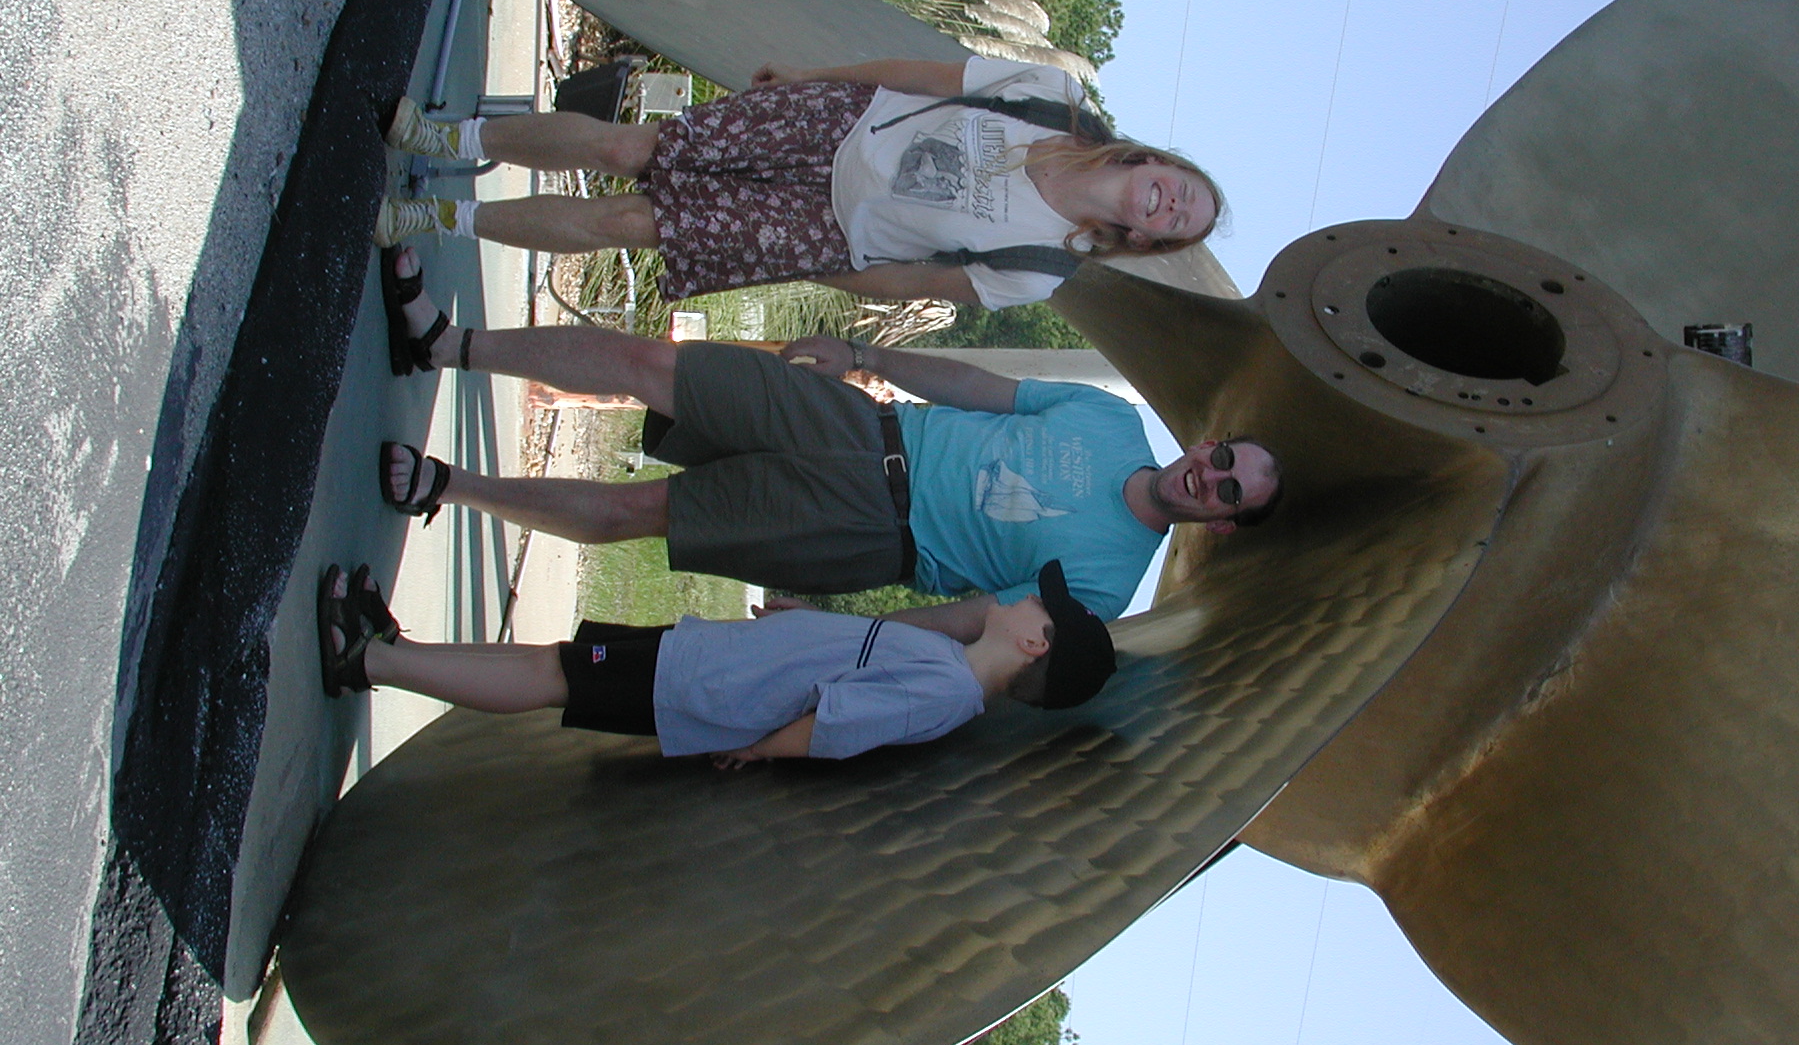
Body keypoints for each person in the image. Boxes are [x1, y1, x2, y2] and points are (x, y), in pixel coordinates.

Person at [376, 255, 1283, 630]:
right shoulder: (1110, 421)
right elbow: (977, 387)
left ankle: (445, 488)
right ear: (1206, 444)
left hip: (865, 531)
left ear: (1223, 523)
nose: (1211, 478)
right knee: (653, 364)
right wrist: (863, 356)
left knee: (642, 513)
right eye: (1223, 459)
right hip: (860, 423)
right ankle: (443, 342)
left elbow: (975, 623)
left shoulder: (1106, 586)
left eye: (1231, 492)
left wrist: (849, 633)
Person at [374, 55, 1224, 313]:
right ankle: (448, 136)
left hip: (824, 230)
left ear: (1149, 239)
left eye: (1179, 221)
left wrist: (811, 265)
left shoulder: (1040, 270)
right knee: (628, 147)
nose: (1172, 202)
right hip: (832, 121)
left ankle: (437, 216)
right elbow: (924, 74)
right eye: (1183, 186)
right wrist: (814, 77)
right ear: (1159, 162)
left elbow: (913, 283)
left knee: (627, 225)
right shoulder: (1054, 97)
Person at [315, 560, 1119, 764]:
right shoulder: (945, 660)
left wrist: (756, 750)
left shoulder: (945, 691)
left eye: (1039, 606)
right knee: (552, 661)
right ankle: (395, 648)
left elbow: (836, 725)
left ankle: (370, 663)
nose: (1025, 599)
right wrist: (809, 622)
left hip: (708, 688)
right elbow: (852, 662)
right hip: (712, 663)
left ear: (1035, 644)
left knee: (550, 675)